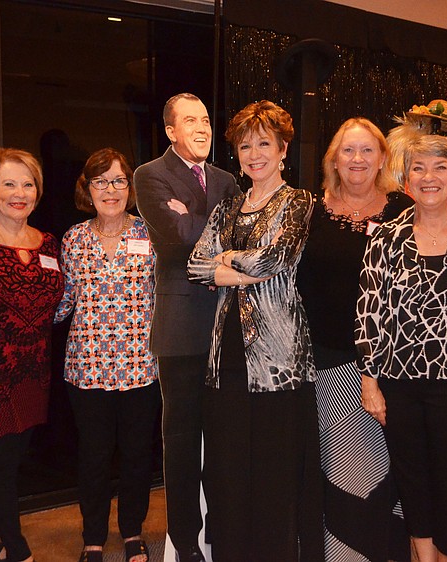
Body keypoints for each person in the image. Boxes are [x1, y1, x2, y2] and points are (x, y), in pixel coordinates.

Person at [187, 100, 322, 562]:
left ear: (283, 149)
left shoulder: (299, 202)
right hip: (224, 358)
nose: (254, 154)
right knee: (226, 473)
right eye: (245, 146)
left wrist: (226, 261)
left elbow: (275, 259)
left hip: (278, 361)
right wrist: (237, 270)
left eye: (264, 144)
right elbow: (195, 266)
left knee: (272, 477)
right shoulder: (227, 207)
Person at [355, 135, 447, 562]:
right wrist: (369, 380)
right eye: (418, 168)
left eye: (440, 167)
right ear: (406, 180)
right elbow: (369, 311)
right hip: (399, 382)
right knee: (411, 478)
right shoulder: (386, 237)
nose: (429, 177)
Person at [296, 117, 412, 561]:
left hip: (385, 367)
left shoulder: (404, 212)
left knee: (384, 468)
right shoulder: (309, 211)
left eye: (367, 150)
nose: (357, 159)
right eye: (348, 150)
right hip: (326, 365)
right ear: (334, 159)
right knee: (341, 470)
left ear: (382, 158)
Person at [134, 93, 239, 562]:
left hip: (230, 326)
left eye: (206, 119)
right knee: (180, 444)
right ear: (170, 131)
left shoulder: (227, 179)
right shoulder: (150, 175)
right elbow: (177, 236)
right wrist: (219, 232)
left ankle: (221, 529)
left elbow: (238, 235)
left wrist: (192, 216)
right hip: (181, 330)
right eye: (190, 120)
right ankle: (185, 540)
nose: (201, 128)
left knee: (223, 439)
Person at [56, 148, 160, 562]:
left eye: (118, 180)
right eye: (100, 181)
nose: (110, 190)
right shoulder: (73, 239)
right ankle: (93, 537)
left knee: (137, 456)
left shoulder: (151, 234)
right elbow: (63, 300)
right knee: (94, 458)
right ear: (88, 189)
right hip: (88, 367)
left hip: (141, 366)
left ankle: (132, 532)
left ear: (130, 187)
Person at [0, 148, 64, 562]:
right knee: (1, 463)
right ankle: (17, 549)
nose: (19, 193)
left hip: (34, 372)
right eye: (8, 183)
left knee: (14, 459)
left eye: (27, 184)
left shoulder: (48, 243)